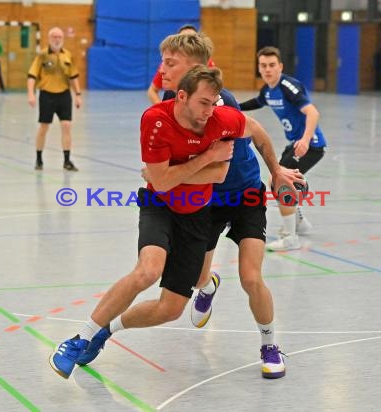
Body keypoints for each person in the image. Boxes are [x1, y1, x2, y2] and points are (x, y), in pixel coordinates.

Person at [50, 64, 261, 380]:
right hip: (159, 205)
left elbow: (228, 165)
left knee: (172, 309)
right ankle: (77, 339)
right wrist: (205, 159)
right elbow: (161, 183)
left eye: (214, 103)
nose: (209, 111)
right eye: (204, 103)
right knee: (148, 270)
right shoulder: (156, 120)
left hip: (197, 215)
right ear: (182, 96)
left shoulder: (222, 118)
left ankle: (105, 332)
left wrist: (278, 168)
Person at [155, 34, 304, 379]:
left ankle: (269, 346)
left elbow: (256, 131)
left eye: (170, 63)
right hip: (206, 201)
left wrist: (277, 170)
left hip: (246, 196)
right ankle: (207, 287)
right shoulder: (168, 102)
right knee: (196, 279)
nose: (162, 69)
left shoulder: (223, 102)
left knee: (251, 278)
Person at [239, 46, 327, 251]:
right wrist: (233, 106)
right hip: (294, 144)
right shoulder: (268, 90)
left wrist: (305, 140)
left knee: (278, 179)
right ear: (259, 68)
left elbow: (313, 113)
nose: (268, 69)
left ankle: (290, 237)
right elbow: (257, 102)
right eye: (263, 66)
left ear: (280, 67)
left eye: (272, 65)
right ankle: (299, 221)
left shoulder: (289, 86)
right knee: (278, 177)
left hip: (310, 145)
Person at [27, 27, 81, 172]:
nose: (57, 39)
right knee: (44, 127)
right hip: (47, 95)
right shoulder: (42, 55)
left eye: (59, 37)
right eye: (54, 37)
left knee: (66, 126)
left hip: (64, 95)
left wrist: (78, 95)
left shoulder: (68, 55)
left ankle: (67, 160)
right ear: (49, 38)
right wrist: (31, 94)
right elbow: (32, 76)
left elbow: (74, 76)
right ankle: (39, 158)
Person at [146, 24, 215, 104]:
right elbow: (152, 91)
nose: (162, 71)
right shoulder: (169, 92)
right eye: (182, 38)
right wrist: (161, 110)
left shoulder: (220, 100)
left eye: (191, 39)